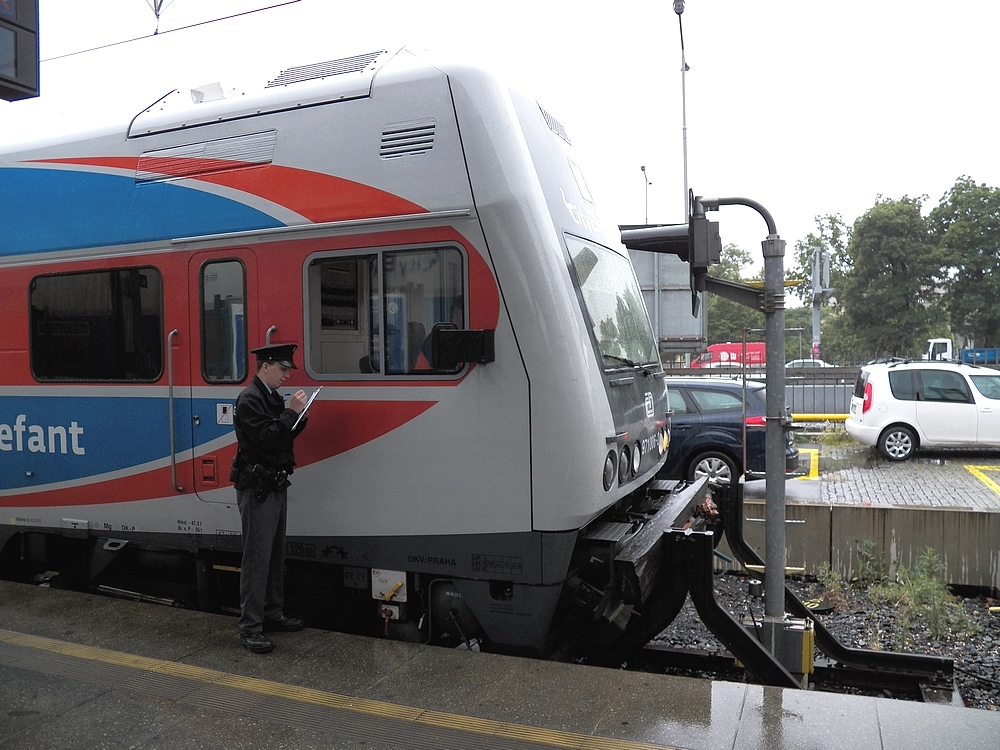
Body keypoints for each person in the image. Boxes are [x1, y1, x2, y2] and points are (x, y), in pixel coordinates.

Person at [231, 342, 309, 653]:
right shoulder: (250, 398)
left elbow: (281, 436)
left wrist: (298, 418)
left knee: (274, 555)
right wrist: (291, 413)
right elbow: (265, 438)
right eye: (283, 369)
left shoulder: (270, 396)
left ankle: (272, 613)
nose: (287, 375)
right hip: (257, 486)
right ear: (265, 366)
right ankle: (251, 628)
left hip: (274, 483)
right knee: (257, 559)